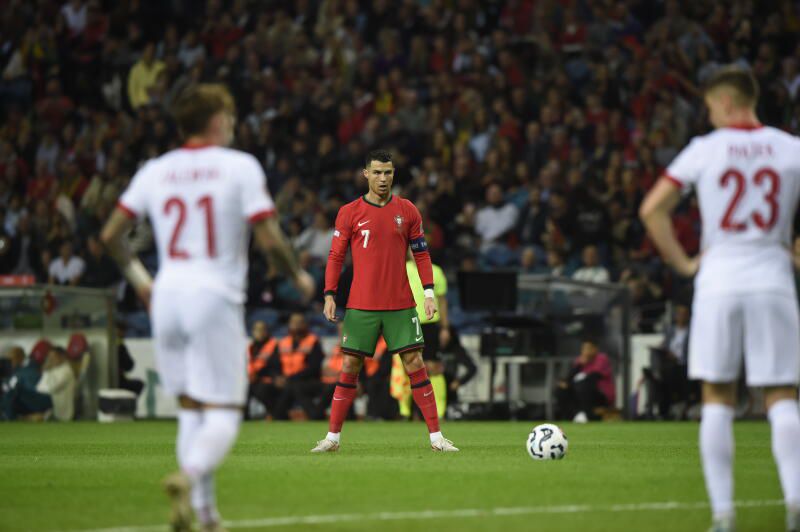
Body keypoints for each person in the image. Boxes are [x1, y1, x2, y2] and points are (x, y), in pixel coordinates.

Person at [101, 83, 315, 532]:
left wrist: (142, 282)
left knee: (191, 410)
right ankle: (190, 475)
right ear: (217, 120)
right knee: (223, 413)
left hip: (166, 295)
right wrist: (296, 274)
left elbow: (110, 235)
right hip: (213, 297)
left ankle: (206, 515)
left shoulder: (156, 170)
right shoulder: (238, 167)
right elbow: (270, 238)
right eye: (232, 118)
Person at [640, 65, 800, 532]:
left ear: (726, 103)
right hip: (772, 276)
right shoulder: (790, 148)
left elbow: (652, 210)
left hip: (718, 279)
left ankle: (724, 516)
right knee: (781, 395)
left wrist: (685, 264)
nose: (709, 117)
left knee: (716, 396)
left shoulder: (705, 150)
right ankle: (794, 504)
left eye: (710, 108)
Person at [313, 149, 458, 453]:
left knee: (416, 362)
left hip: (400, 304)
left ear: (394, 174)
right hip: (361, 304)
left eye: (388, 172)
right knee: (350, 365)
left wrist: (429, 293)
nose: (383, 178)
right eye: (377, 172)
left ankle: (436, 438)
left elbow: (421, 254)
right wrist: (329, 294)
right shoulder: (349, 212)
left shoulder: (407, 211)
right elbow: (336, 255)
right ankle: (332, 438)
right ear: (366, 174)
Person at [405, 249, 450, 418]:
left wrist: (445, 327)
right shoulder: (401, 269)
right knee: (408, 368)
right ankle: (407, 411)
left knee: (433, 367)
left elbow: (443, 302)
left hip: (431, 324)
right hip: (408, 321)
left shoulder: (436, 271)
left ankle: (438, 411)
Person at [268, 313, 324, 420]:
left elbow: (314, 367)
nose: (296, 325)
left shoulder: (313, 341)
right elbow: (272, 365)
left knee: (295, 387)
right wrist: (276, 377)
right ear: (289, 324)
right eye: (294, 322)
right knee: (262, 388)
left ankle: (315, 416)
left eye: (300, 322)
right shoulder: (283, 342)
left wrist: (289, 379)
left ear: (305, 325)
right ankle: (279, 415)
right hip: (285, 380)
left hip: (307, 380)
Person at [554, 339, 615, 423]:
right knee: (561, 389)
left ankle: (588, 415)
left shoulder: (601, 358)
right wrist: (579, 365)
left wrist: (570, 384)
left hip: (600, 396)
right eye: (584, 349)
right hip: (579, 393)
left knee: (583, 385)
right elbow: (569, 377)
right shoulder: (580, 361)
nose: (586, 351)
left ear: (595, 349)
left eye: (589, 348)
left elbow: (593, 378)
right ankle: (575, 416)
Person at [1, 340, 53, 421]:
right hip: (25, 401)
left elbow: (33, 391)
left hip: (39, 401)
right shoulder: (14, 372)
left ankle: (9, 418)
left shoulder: (29, 371)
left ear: (20, 358)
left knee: (12, 391)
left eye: (12, 359)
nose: (10, 362)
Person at [245, 320, 278, 419]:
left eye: (262, 329)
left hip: (268, 378)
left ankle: (274, 413)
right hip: (252, 379)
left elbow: (274, 365)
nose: (260, 332)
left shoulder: (274, 344)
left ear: (267, 331)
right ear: (253, 332)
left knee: (262, 389)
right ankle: (244, 417)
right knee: (243, 389)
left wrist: (257, 375)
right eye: (257, 330)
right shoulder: (250, 347)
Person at [36, 346, 77, 421]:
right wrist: (47, 371)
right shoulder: (53, 369)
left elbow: (52, 388)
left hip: (62, 413)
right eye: (49, 357)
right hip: (50, 406)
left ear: (62, 357)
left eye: (53, 357)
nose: (50, 360)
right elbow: (39, 388)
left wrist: (46, 371)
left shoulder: (66, 371)